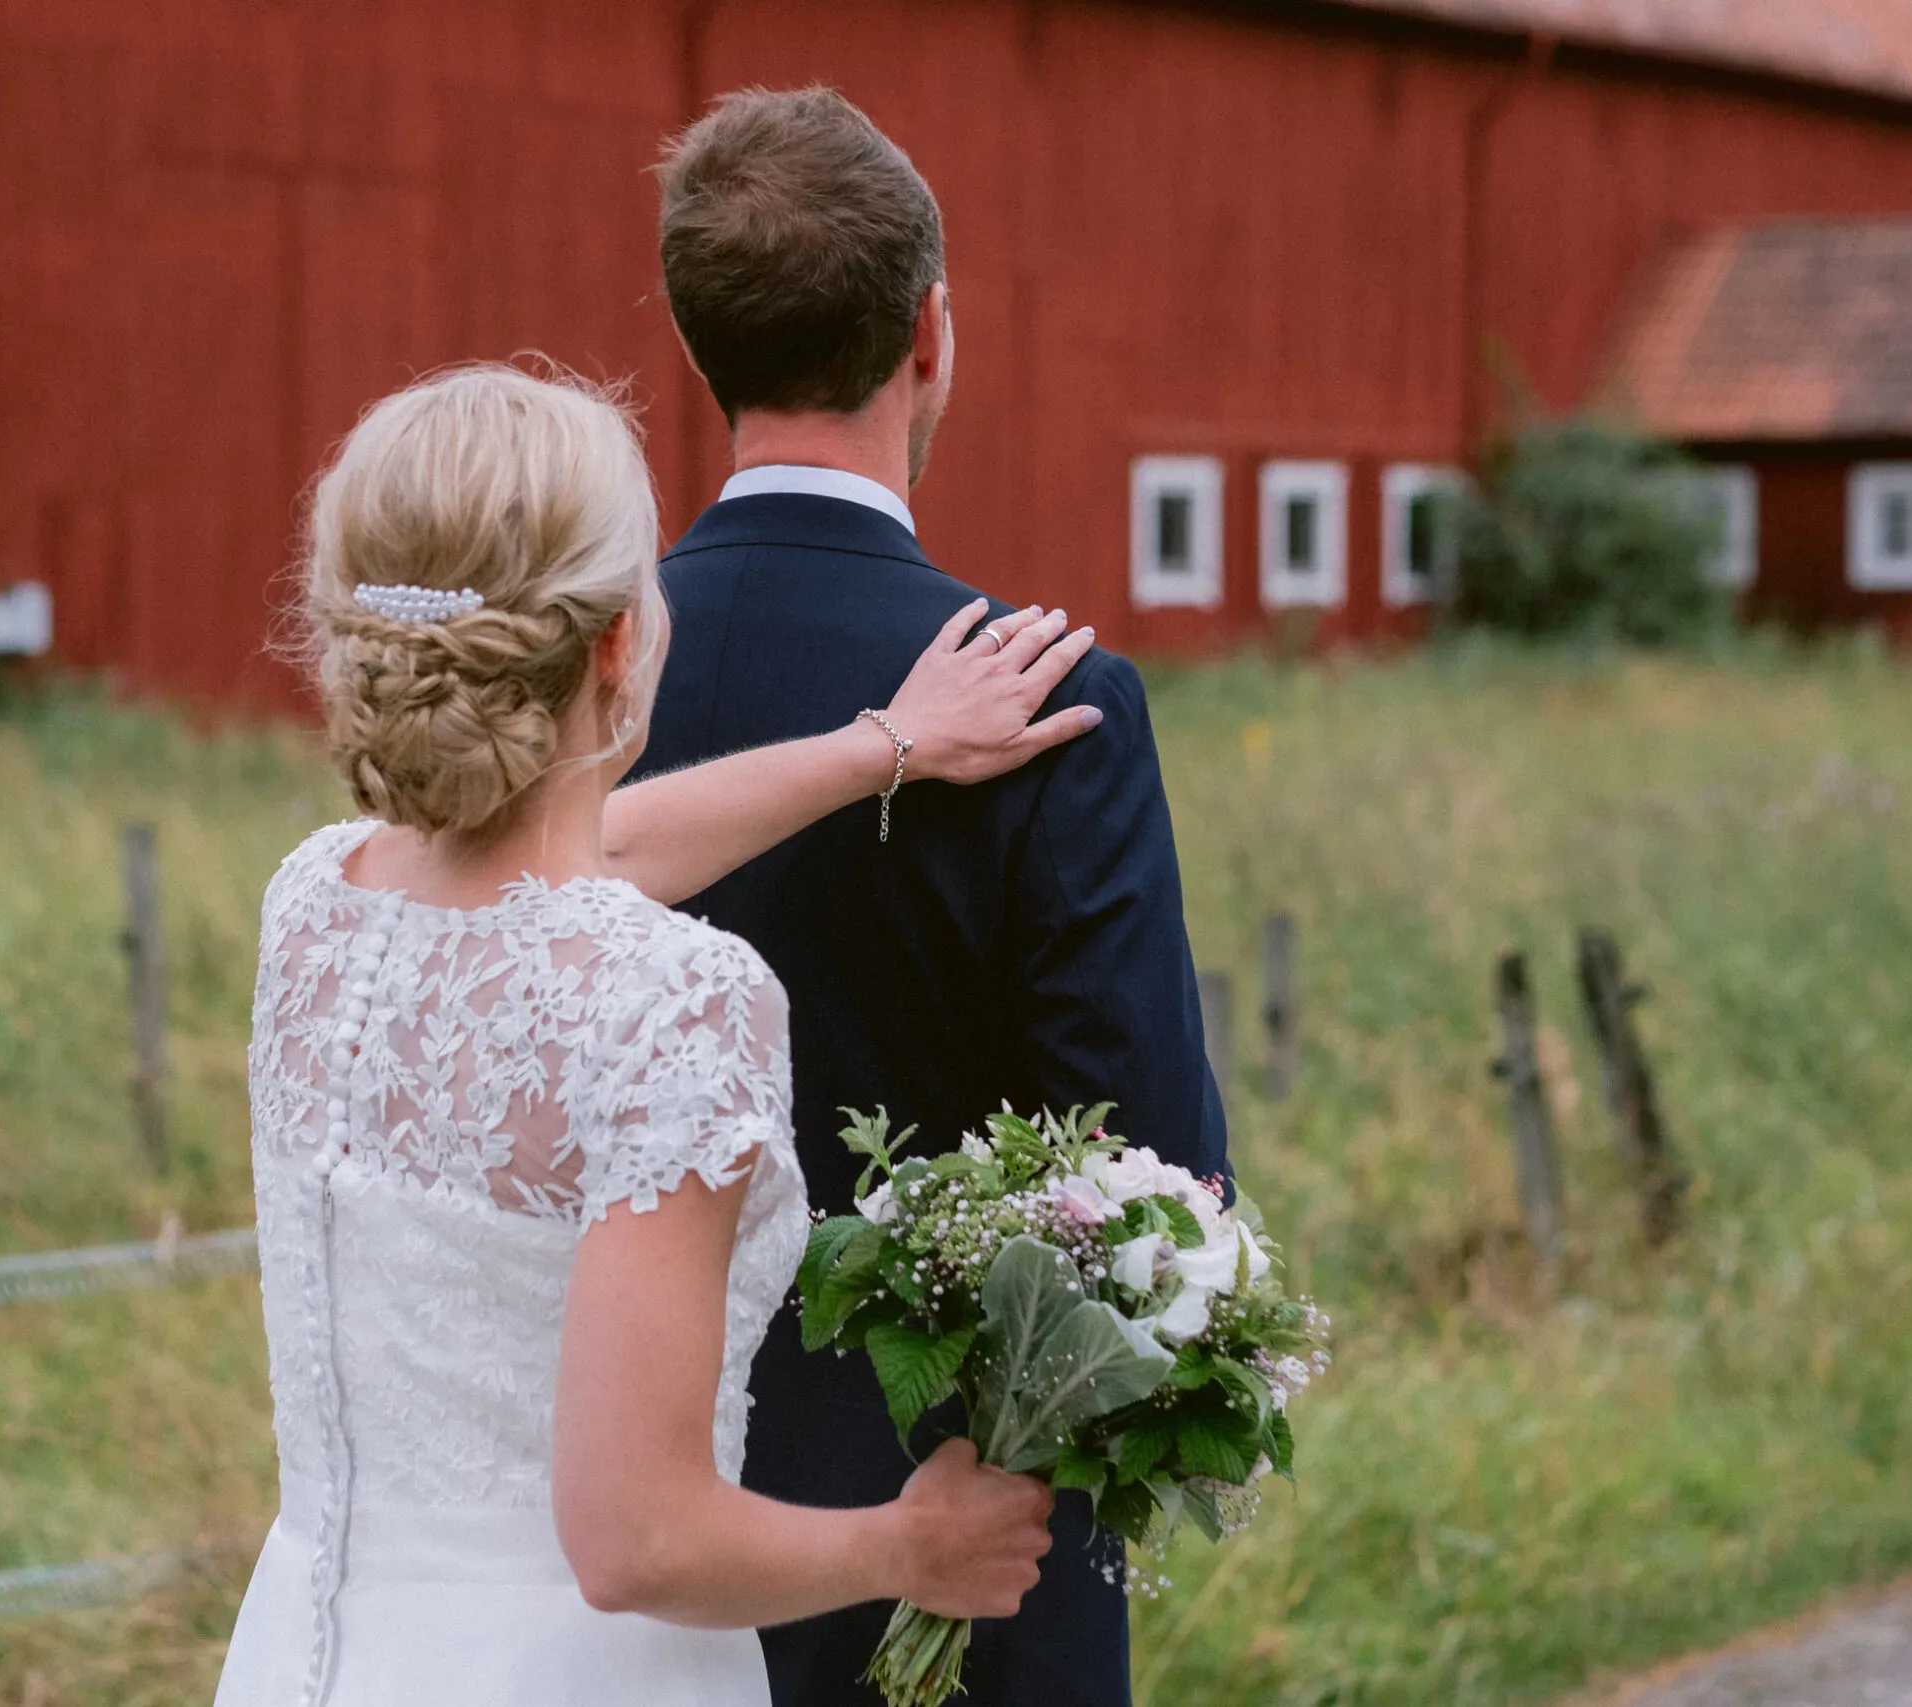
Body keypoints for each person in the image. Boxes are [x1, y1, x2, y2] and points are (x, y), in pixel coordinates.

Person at [215, 361, 1111, 1707]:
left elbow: (589, 855)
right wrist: (913, 1544)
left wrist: (885, 746)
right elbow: (635, 1539)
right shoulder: (671, 1002)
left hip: (303, 1658)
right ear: (623, 639)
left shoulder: (319, 904)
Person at [628, 87, 1233, 1707]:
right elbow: (1158, 1168)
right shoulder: (1052, 702)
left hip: (620, 1512)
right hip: (968, 1531)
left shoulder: (577, 690)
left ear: (703, 353)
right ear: (933, 330)